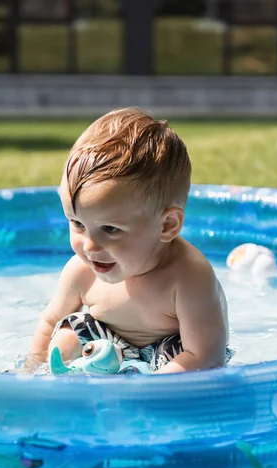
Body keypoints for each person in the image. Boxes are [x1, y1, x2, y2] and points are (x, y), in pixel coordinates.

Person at [29, 107, 230, 374]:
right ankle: (62, 384)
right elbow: (49, 321)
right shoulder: (82, 271)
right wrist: (30, 372)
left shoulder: (189, 277)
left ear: (167, 225)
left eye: (110, 229)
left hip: (168, 354)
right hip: (104, 348)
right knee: (68, 332)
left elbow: (205, 357)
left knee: (178, 359)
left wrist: (146, 391)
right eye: (78, 224)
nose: (89, 246)